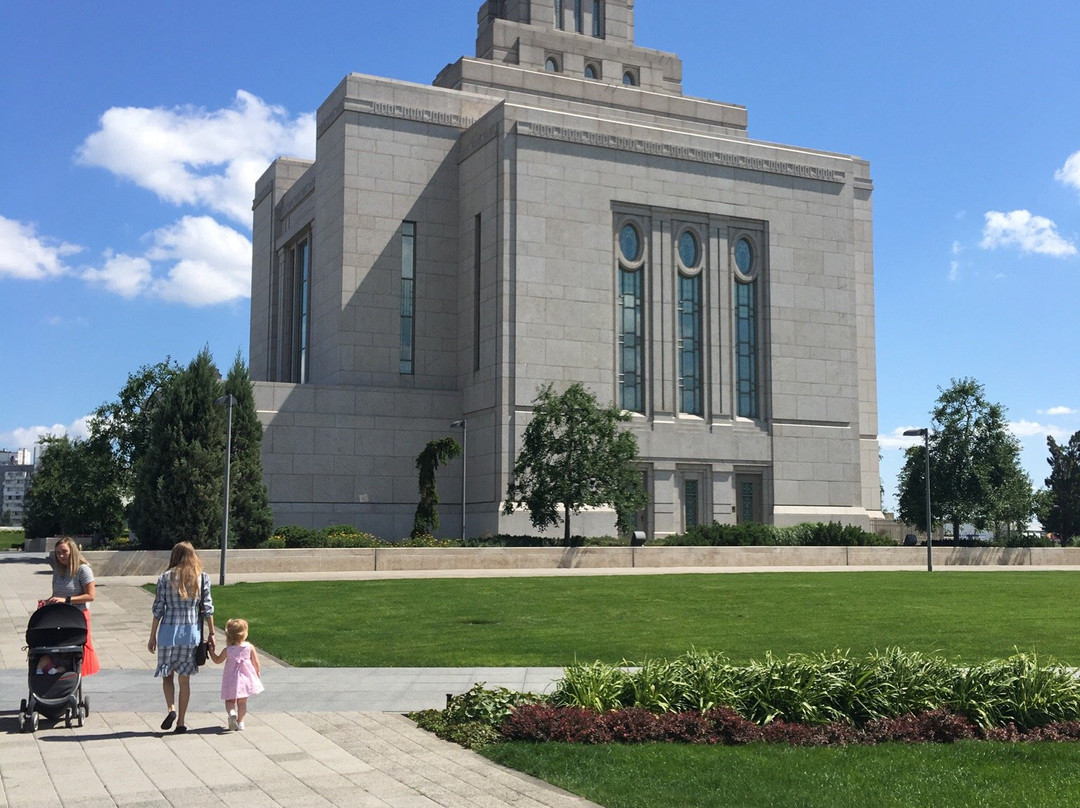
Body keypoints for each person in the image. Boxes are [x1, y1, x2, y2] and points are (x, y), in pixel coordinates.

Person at [148, 542, 215, 734]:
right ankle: (182, 722)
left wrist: (152, 636)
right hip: (190, 632)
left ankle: (171, 709)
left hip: (168, 631)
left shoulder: (164, 578)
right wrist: (211, 633)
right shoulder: (202, 578)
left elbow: (158, 609)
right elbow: (207, 608)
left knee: (167, 675)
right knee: (184, 680)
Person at [46, 537, 100, 676]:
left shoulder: (83, 570)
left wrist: (66, 600)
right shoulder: (58, 571)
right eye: (58, 553)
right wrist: (49, 601)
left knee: (76, 649)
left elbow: (90, 596)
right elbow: (56, 594)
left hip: (78, 616)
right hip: (61, 617)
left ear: (73, 552)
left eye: (64, 552)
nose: (61, 556)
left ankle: (75, 676)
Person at [210, 618, 264, 731]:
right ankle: (241, 722)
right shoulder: (249, 647)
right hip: (245, 679)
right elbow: (256, 662)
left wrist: (211, 651)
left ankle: (231, 713)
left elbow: (217, 660)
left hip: (230, 679)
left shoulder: (228, 650)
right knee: (242, 702)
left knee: (230, 700)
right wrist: (257, 672)